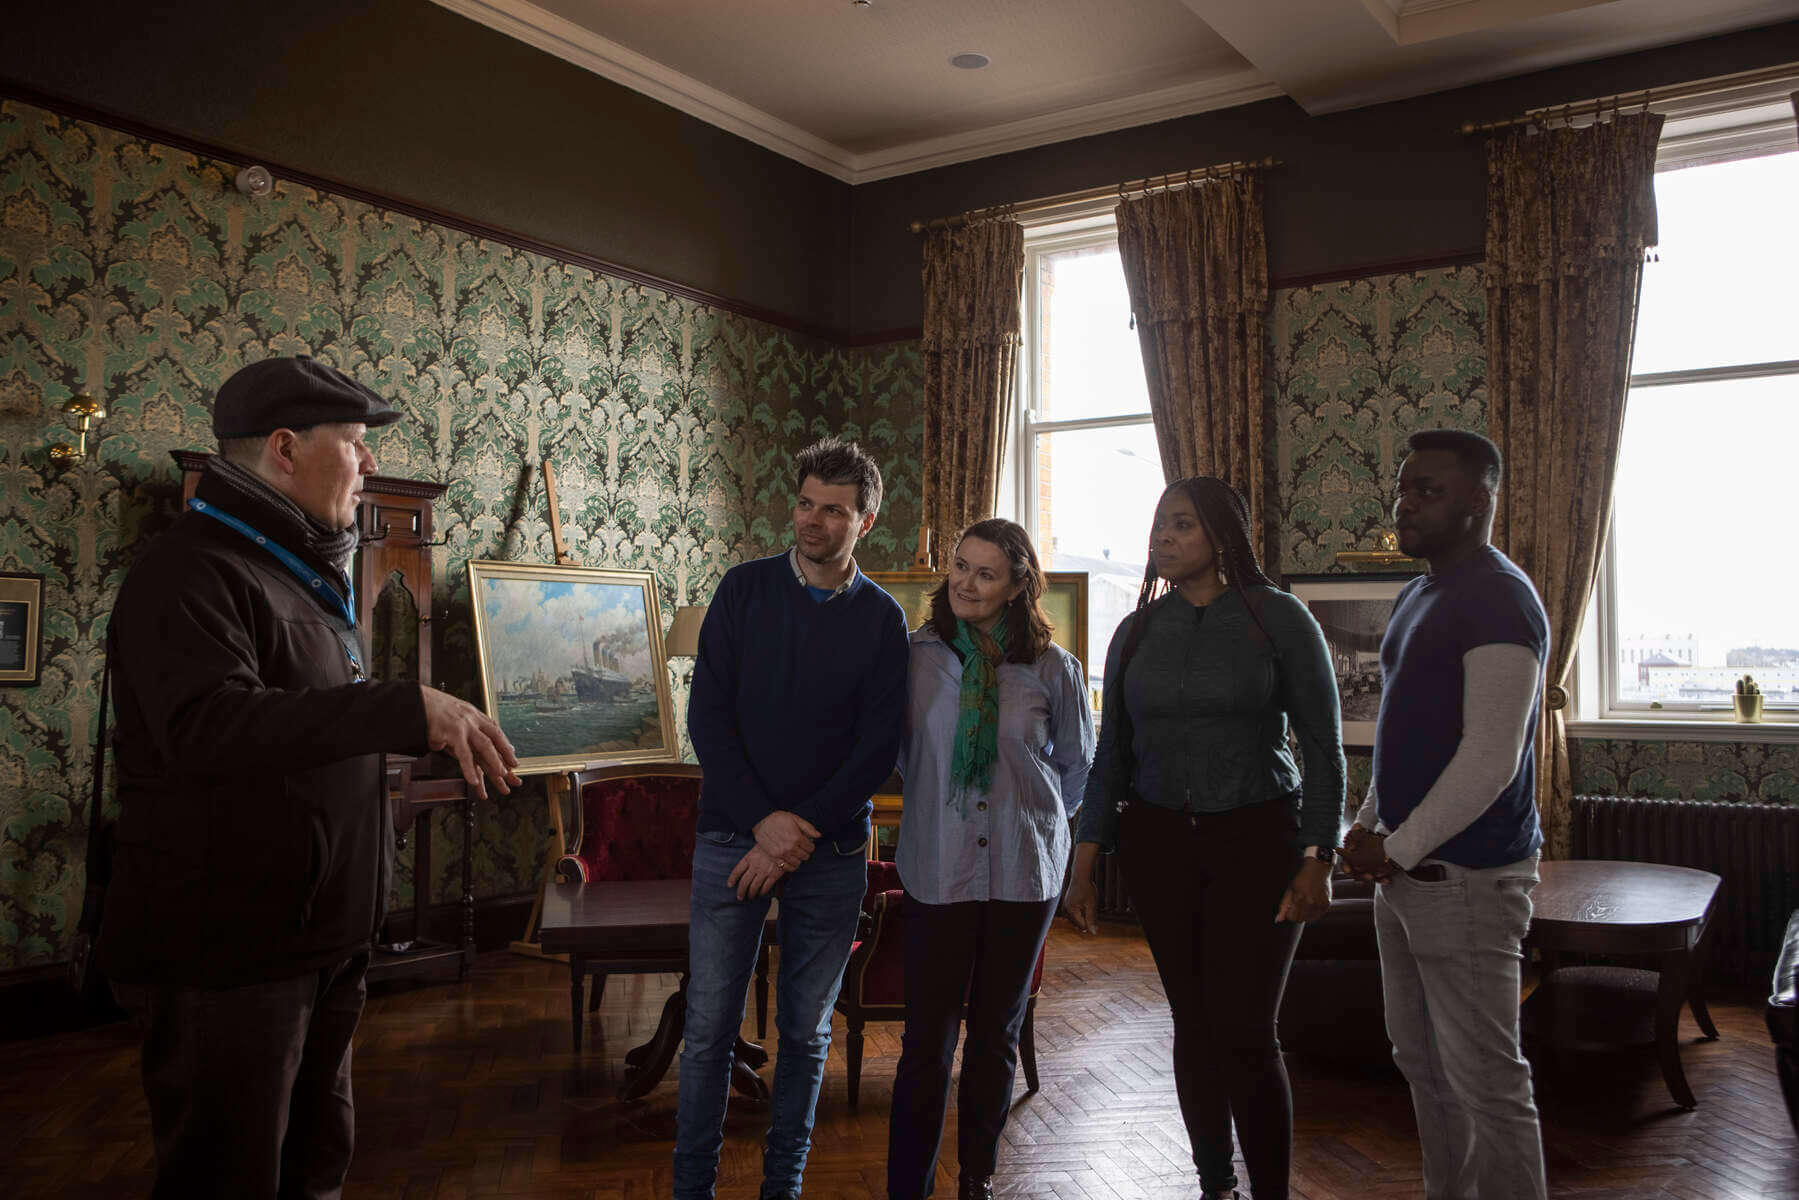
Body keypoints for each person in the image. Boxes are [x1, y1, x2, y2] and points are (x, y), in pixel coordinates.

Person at [98, 355, 522, 1200]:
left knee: (315, 1167)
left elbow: (312, 730)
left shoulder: (300, 571)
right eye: (357, 443)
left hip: (321, 942)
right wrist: (403, 708)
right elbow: (209, 727)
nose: (370, 464)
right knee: (229, 1177)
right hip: (232, 955)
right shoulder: (189, 572)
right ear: (286, 450)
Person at [1064, 476, 1345, 1200]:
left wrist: (1318, 856)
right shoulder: (1135, 632)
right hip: (1159, 844)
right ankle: (1213, 1184)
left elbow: (1323, 747)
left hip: (1259, 839)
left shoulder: (1277, 618)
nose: (1163, 536)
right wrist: (1085, 858)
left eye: (1181, 524)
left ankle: (1270, 1193)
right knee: (1193, 1024)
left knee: (1246, 1030)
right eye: (1159, 523)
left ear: (1221, 536)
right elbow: (1111, 756)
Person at [676, 436, 910, 1200]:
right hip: (727, 840)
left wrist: (794, 833)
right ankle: (692, 1189)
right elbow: (708, 719)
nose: (812, 520)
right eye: (805, 502)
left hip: (829, 851)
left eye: (833, 510)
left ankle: (785, 1187)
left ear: (865, 520)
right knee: (709, 1030)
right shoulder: (742, 590)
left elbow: (877, 748)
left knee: (805, 1035)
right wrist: (762, 826)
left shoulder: (882, 619)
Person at [1338, 428, 1551, 1200]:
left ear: (1479, 500)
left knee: (1487, 1081)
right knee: (1421, 1064)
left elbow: (1489, 758)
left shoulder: (1497, 596)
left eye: (1428, 489)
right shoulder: (1420, 591)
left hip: (1467, 877)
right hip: (1408, 875)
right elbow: (1402, 737)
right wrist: (1364, 827)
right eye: (1403, 487)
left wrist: (1393, 849)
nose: (1406, 503)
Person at [887, 519, 1095, 1200]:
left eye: (985, 573)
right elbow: (894, 756)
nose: (965, 583)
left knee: (994, 1035)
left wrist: (1034, 823)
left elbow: (1076, 769)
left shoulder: (1052, 669)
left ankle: (976, 1176)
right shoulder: (911, 658)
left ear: (1017, 587)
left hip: (1021, 868)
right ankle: (906, 1186)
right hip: (937, 867)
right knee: (926, 1042)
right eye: (959, 566)